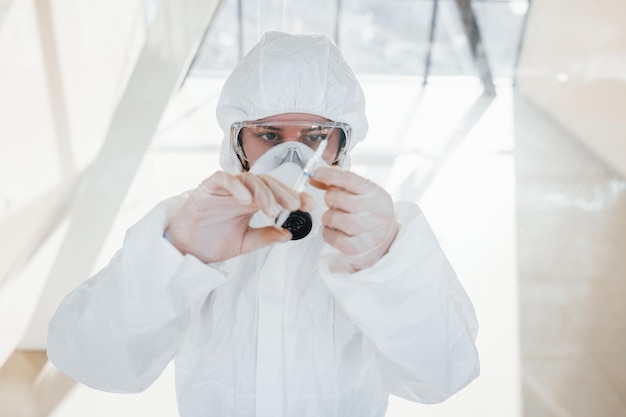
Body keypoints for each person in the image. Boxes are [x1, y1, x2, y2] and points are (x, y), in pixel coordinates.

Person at [47, 31, 479, 417]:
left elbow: (440, 375)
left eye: (314, 136)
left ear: (343, 141)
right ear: (236, 141)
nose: (291, 158)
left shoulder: (374, 233)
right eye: (269, 136)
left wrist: (387, 268)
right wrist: (177, 257)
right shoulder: (192, 223)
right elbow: (91, 359)